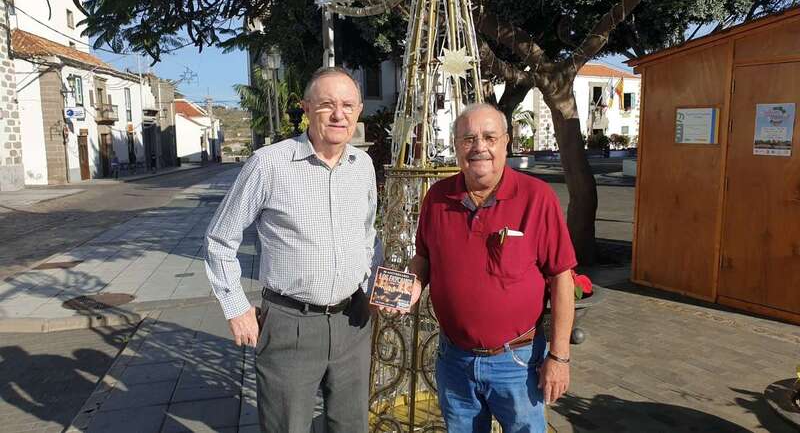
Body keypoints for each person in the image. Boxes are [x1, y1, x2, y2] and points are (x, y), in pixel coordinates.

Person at [205, 66, 377, 433]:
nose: (338, 114)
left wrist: (366, 279)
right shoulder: (269, 164)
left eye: (348, 105)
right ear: (306, 107)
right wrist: (236, 308)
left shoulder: (363, 165)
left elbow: (367, 231)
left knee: (351, 425)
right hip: (290, 325)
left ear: (359, 110)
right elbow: (220, 239)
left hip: (353, 322)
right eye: (326, 104)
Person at [407, 103, 576, 433]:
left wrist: (559, 357)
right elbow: (423, 257)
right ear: (456, 146)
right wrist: (409, 288)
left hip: (517, 362)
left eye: (489, 137)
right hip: (455, 360)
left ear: (506, 142)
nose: (479, 147)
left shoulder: (536, 197)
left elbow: (561, 276)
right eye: (468, 138)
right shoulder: (438, 198)